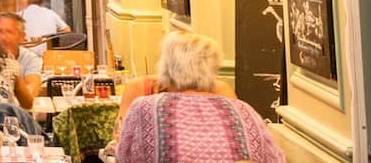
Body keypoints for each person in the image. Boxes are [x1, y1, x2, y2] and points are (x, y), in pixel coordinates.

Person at [115, 32, 283, 162]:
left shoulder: (145, 107)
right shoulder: (243, 109)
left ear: (166, 67)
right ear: (212, 69)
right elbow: (275, 158)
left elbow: (123, 155)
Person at [0, 13, 42, 109]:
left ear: (22, 36)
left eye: (9, 32)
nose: (3, 37)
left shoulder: (30, 59)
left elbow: (32, 89)